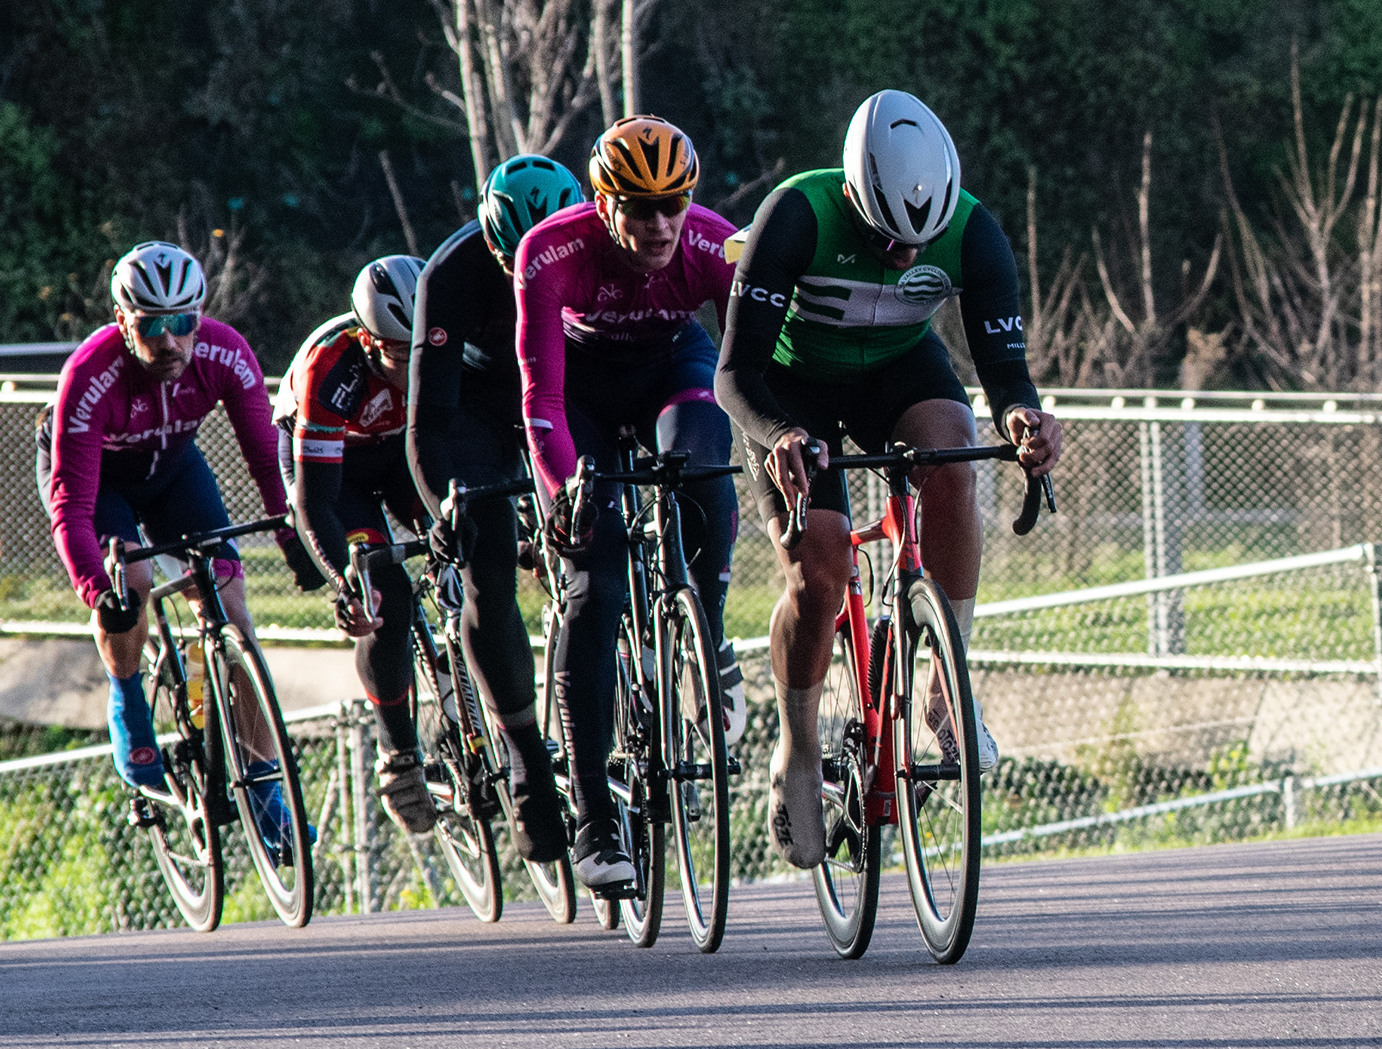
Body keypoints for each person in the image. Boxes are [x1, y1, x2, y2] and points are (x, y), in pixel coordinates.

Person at [715, 88, 1064, 870]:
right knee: (820, 565)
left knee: (955, 458)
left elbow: (1007, 375)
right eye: (886, 239)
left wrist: (1024, 419)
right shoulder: (796, 216)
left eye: (921, 242)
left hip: (898, 371)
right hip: (791, 389)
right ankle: (798, 745)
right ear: (852, 194)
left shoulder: (974, 231)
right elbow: (733, 375)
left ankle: (946, 688)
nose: (906, 256)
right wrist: (780, 434)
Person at [514, 116, 742, 894]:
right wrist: (563, 494)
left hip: (672, 368)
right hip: (579, 392)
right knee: (595, 585)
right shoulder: (551, 251)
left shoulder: (716, 245)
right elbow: (541, 400)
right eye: (641, 208)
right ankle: (594, 818)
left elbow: (750, 370)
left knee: (704, 458)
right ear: (604, 203)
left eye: (674, 203)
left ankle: (708, 630)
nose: (661, 224)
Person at [41, 241, 320, 848]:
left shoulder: (225, 352)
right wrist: (97, 591)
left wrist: (293, 537)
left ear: (199, 317)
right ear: (123, 321)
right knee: (132, 584)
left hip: (171, 470)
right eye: (150, 326)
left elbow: (266, 462)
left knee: (231, 609)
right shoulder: (90, 376)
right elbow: (72, 509)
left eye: (183, 322)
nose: (169, 341)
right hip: (99, 485)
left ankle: (264, 786)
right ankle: (127, 695)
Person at [408, 157, 583, 865]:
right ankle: (524, 755)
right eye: (516, 261)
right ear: (491, 243)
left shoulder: (593, 244)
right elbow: (426, 423)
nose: (532, 272)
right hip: (478, 408)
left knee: (606, 522)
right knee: (487, 564)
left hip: (566, 388)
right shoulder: (449, 276)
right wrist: (444, 506)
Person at [275, 254, 442, 842]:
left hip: (400, 451)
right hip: (333, 470)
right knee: (384, 593)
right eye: (400, 355)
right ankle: (399, 756)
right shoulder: (331, 367)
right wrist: (345, 584)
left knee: (469, 545)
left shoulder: (445, 339)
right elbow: (315, 503)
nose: (416, 369)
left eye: (423, 351)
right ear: (369, 342)